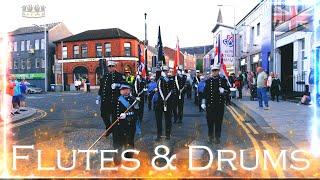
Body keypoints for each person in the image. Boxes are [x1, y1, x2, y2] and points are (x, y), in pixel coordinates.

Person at [111, 82, 139, 165]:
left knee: (129, 144)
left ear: (129, 90)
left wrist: (126, 114)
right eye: (122, 90)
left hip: (129, 127)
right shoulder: (117, 99)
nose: (124, 91)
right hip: (117, 127)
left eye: (126, 89)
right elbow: (113, 112)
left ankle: (129, 162)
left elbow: (136, 114)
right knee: (117, 145)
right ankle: (117, 163)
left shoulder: (134, 100)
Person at [201, 64, 229, 144]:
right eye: (213, 71)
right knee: (210, 122)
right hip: (210, 105)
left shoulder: (223, 81)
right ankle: (210, 137)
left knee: (218, 122)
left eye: (216, 70)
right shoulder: (208, 81)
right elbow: (204, 93)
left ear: (218, 71)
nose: (214, 72)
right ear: (211, 72)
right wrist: (203, 102)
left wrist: (224, 91)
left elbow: (228, 92)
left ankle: (217, 137)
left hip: (219, 105)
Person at [98, 61, 126, 137]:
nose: (110, 68)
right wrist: (99, 96)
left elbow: (125, 86)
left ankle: (114, 133)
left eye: (112, 66)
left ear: (115, 67)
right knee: (103, 115)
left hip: (114, 100)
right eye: (109, 67)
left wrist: (118, 85)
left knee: (114, 117)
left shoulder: (119, 76)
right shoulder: (105, 76)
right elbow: (102, 87)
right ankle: (109, 128)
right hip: (105, 100)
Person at [154, 65, 174, 141]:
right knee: (158, 120)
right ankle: (159, 135)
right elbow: (158, 87)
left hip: (168, 101)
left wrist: (165, 78)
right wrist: (161, 77)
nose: (165, 72)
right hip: (159, 102)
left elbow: (172, 88)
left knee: (168, 119)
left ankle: (168, 135)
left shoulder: (170, 79)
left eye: (166, 71)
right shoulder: (159, 79)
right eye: (163, 71)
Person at [132, 71, 147, 136]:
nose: (138, 75)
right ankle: (136, 121)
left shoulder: (143, 80)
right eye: (137, 74)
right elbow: (133, 88)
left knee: (141, 109)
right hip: (136, 97)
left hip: (142, 97)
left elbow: (145, 87)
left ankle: (140, 119)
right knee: (135, 110)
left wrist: (145, 91)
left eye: (139, 74)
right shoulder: (135, 80)